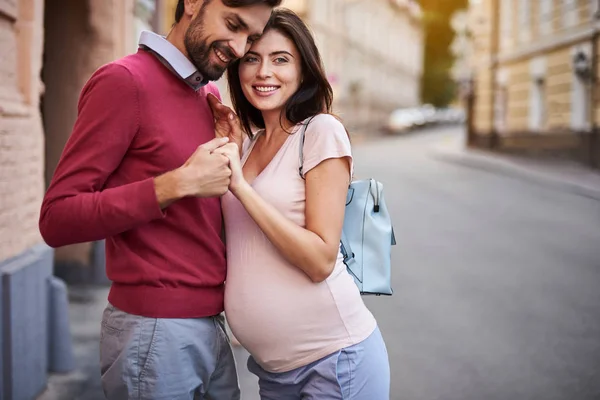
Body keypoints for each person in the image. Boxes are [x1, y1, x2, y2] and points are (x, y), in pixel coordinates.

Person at [38, 0, 281, 398]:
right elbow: (57, 218)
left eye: (250, 37)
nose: (239, 48)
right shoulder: (123, 81)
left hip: (212, 326)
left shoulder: (207, 96)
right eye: (233, 25)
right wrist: (175, 184)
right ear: (192, 4)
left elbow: (199, 223)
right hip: (153, 331)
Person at [214, 8, 391, 399]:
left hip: (334, 361)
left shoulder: (320, 132)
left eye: (280, 60)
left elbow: (320, 260)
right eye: (251, 59)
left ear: (304, 71)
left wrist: (242, 189)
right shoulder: (247, 145)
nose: (264, 72)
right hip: (274, 372)